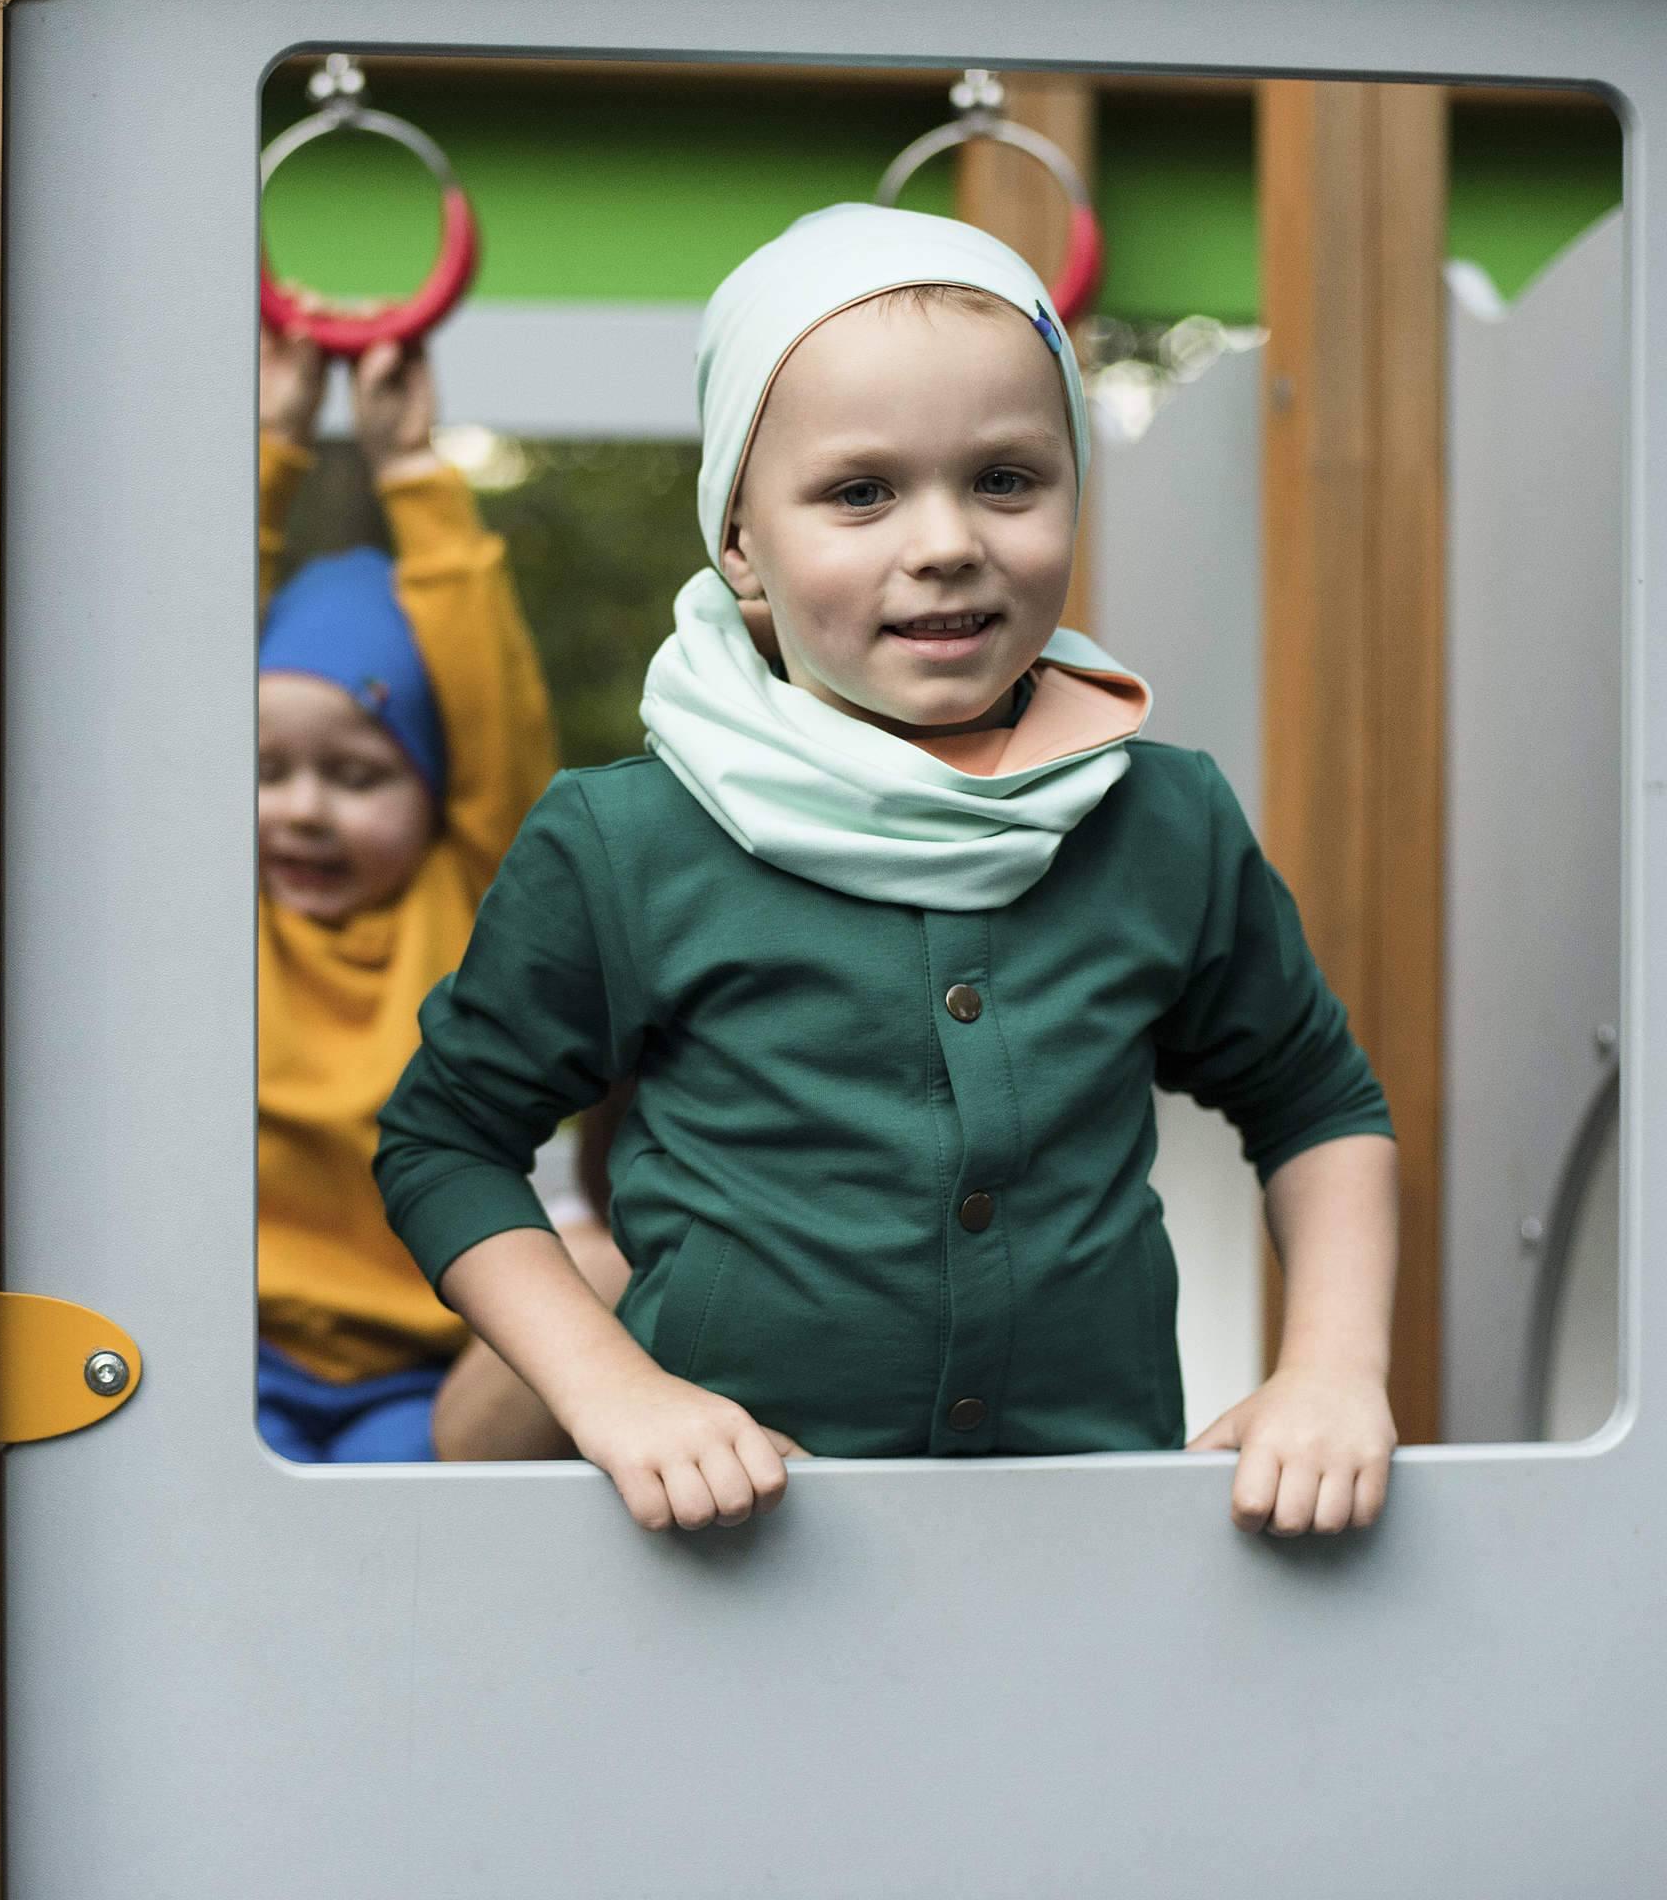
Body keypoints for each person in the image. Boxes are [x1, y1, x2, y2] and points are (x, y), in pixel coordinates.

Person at [373, 203, 1400, 1536]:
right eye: (861, 492)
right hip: (726, 1557)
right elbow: (445, 1140)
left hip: (1087, 1539)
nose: (946, 540)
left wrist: (1330, 1370)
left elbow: (1317, 1102)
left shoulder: (1164, 820)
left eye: (1008, 479)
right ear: (742, 540)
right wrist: (616, 1394)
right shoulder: (626, 841)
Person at [255, 312, 626, 1464]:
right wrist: (272, 436)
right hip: (232, 1351)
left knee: (387, 1556)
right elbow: (159, 657)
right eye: (265, 769)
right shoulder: (215, 920)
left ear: (435, 794)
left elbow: (489, 697)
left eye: (357, 773)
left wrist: (409, 466)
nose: (303, 806)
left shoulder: (464, 903)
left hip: (424, 1372)